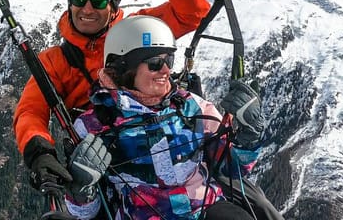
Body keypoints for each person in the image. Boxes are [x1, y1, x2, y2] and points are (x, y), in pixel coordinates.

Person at [14, 0, 211, 198]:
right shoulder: (54, 61)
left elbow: (193, 13)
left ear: (114, 5)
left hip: (158, 140)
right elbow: (31, 110)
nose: (87, 10)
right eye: (79, 0)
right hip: (97, 159)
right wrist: (39, 151)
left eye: (98, 2)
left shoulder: (136, 32)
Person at [61, 16, 267, 219]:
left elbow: (231, 169)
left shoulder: (193, 107)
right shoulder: (93, 126)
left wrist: (249, 138)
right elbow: (85, 214)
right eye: (154, 63)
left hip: (204, 210)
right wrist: (81, 189)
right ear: (124, 67)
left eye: (169, 60)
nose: (167, 70)